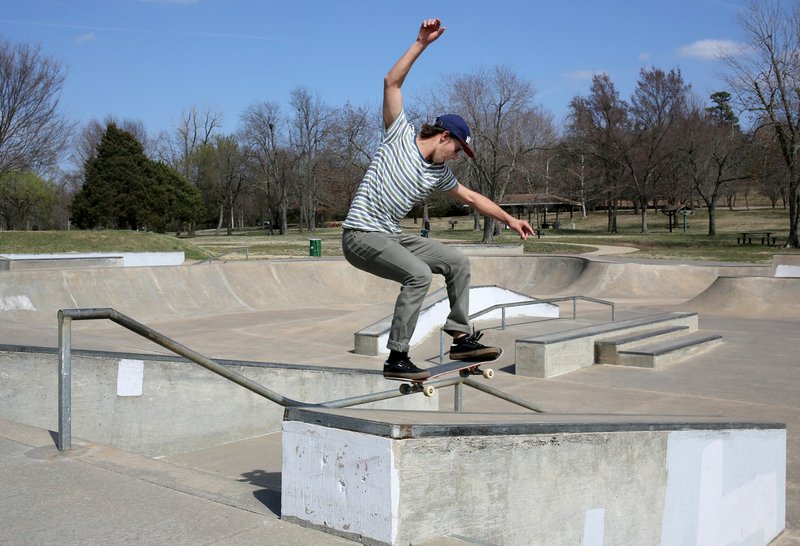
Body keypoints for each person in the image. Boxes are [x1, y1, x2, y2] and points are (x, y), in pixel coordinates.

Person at [341, 18, 535, 380]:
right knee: (417, 276)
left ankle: (460, 337)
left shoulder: (439, 173)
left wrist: (509, 219)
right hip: (360, 235)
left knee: (456, 262)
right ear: (445, 137)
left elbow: (472, 198)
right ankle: (397, 356)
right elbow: (391, 82)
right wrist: (421, 43)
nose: (457, 158)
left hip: (390, 235)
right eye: (458, 150)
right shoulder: (398, 134)